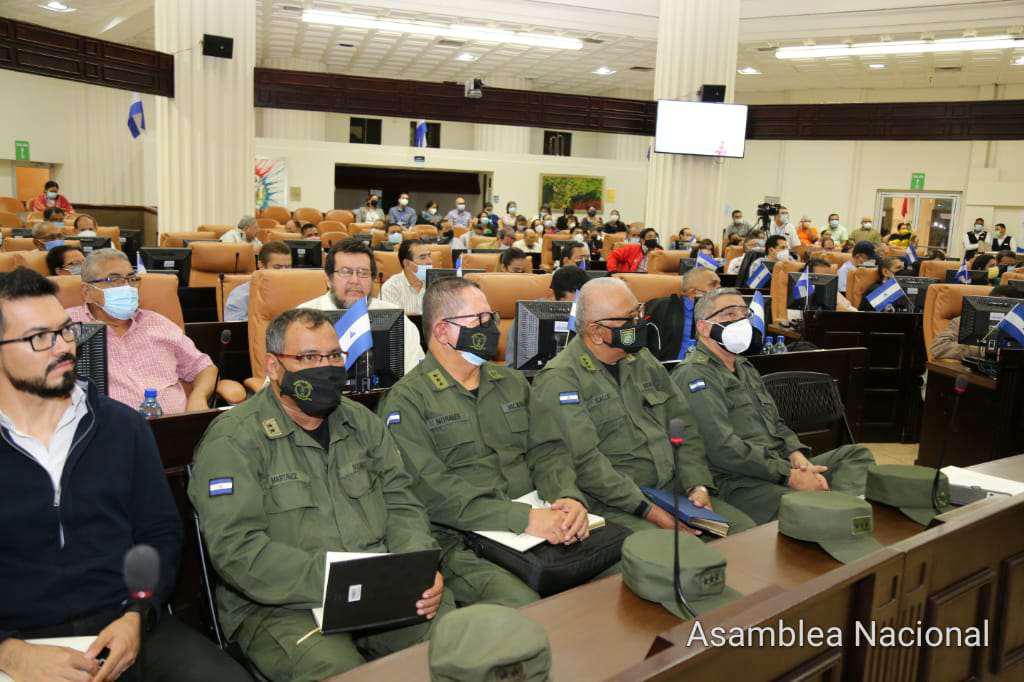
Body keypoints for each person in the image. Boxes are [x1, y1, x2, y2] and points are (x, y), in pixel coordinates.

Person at [0, 269, 250, 682]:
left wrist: (137, 616)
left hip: (125, 624)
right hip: (20, 640)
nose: (63, 348)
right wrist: (11, 652)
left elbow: (160, 534)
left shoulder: (120, 425)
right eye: (38, 338)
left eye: (65, 332)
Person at [189, 308, 450, 681]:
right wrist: (340, 582)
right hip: (280, 607)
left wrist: (415, 568)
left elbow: (401, 500)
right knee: (341, 673)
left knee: (458, 643)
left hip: (380, 586)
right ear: (275, 367)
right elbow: (237, 550)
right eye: (309, 358)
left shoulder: (360, 421)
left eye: (333, 356)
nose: (325, 368)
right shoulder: (234, 439)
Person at [379, 278, 589, 607]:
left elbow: (548, 450)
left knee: (617, 568)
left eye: (489, 317)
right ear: (442, 331)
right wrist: (525, 519)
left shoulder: (512, 381)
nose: (490, 327)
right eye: (477, 320)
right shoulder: (406, 401)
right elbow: (432, 490)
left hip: (540, 519)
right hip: (464, 539)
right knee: (527, 605)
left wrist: (566, 497)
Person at [529, 278, 755, 535]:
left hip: (675, 492)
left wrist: (697, 484)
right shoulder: (560, 379)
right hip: (618, 505)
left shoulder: (642, 360)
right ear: (596, 332)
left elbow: (683, 425)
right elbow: (586, 463)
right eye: (628, 319)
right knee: (681, 560)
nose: (639, 323)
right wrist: (653, 513)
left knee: (747, 535)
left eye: (638, 312)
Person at [671, 288, 875, 524]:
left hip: (778, 464)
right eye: (728, 315)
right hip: (739, 480)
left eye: (743, 313)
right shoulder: (695, 375)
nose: (740, 321)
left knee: (857, 455)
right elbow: (722, 448)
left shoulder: (744, 366)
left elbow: (775, 422)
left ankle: (841, 512)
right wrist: (789, 476)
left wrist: (796, 455)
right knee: (804, 509)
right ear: (704, 327)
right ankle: (837, 513)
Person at [68, 249, 217, 413]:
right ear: (87, 292)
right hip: (109, 432)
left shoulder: (157, 322)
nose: (127, 287)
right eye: (114, 279)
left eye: (131, 279)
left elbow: (204, 367)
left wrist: (198, 398)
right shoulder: (67, 326)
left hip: (176, 427)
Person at [299, 238, 425, 373]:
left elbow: (415, 375)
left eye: (363, 273)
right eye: (346, 272)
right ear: (328, 279)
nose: (355, 281)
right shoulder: (300, 319)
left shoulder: (396, 319)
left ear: (372, 280)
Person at [504, 265, 588, 367]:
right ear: (551, 295)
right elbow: (513, 365)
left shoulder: (591, 314)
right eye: (569, 307)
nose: (575, 313)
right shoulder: (528, 316)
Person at [644, 267, 720, 361]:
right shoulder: (662, 308)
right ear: (693, 292)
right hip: (673, 368)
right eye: (713, 285)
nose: (719, 289)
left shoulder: (724, 311)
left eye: (720, 285)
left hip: (711, 367)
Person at [930, 285, 1024, 361]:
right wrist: (982, 351)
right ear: (987, 304)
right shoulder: (965, 321)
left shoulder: (1019, 325)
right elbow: (938, 347)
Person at [224, 240, 292, 323]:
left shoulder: (297, 290)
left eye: (288, 267)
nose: (284, 272)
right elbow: (236, 330)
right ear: (261, 265)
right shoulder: (241, 295)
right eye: (277, 267)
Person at [380, 238, 431, 316]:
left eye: (429, 256)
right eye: (422, 257)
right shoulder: (391, 287)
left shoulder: (437, 285)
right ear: (406, 263)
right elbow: (390, 323)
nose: (429, 261)